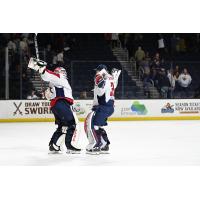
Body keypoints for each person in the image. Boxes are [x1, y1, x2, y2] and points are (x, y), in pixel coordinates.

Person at [28, 58, 81, 154]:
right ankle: (70, 146)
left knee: (62, 126)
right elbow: (48, 76)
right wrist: (42, 69)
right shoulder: (60, 77)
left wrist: (43, 72)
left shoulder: (53, 84)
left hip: (56, 106)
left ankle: (54, 145)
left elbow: (49, 96)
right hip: (62, 104)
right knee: (72, 124)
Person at [84, 64, 121, 154]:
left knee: (93, 125)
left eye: (97, 70)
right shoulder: (111, 78)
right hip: (110, 106)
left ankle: (97, 145)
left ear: (101, 70)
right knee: (98, 126)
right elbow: (113, 86)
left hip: (103, 106)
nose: (96, 72)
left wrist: (99, 85)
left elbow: (100, 92)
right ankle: (104, 145)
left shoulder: (101, 76)